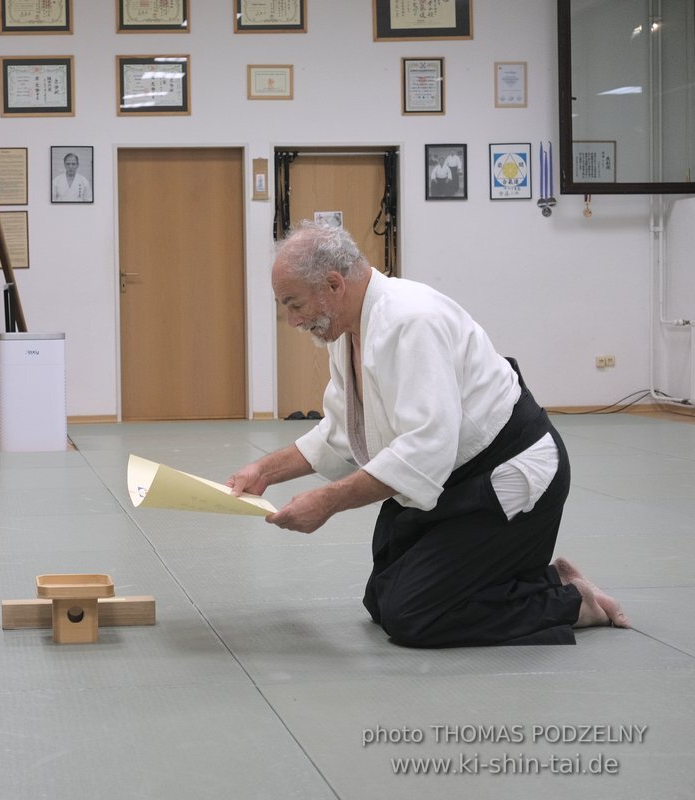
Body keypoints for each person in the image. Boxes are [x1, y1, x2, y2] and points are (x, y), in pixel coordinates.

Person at [228, 221, 629, 648]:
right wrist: (265, 471)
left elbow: (425, 451)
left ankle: (569, 603)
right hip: (451, 479)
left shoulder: (412, 321)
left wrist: (326, 503)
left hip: (508, 476)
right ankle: (533, 576)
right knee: (381, 599)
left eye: (293, 304)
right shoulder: (348, 331)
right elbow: (342, 430)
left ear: (333, 284)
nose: (291, 321)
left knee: (412, 614)